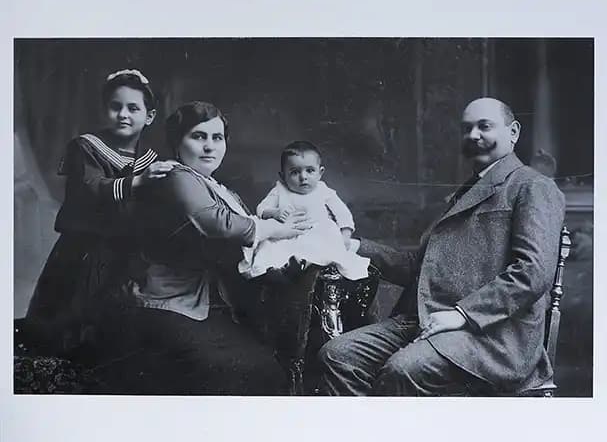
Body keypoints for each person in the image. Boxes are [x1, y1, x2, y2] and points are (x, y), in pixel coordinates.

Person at [318, 97, 566, 396]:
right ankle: (368, 441)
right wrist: (353, 245)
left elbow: (532, 272)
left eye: (484, 126)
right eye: (467, 128)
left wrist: (462, 314)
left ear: (513, 132)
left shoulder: (532, 185)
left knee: (404, 369)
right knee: (338, 355)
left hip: (492, 334)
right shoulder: (464, 192)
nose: (473, 135)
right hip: (431, 320)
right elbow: (420, 268)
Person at [114, 101, 312, 395]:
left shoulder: (215, 187)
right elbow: (217, 223)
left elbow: (241, 236)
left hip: (206, 302)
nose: (209, 147)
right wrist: (275, 229)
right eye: (198, 137)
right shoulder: (176, 176)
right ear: (177, 142)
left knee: (269, 366)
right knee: (252, 370)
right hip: (167, 302)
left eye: (216, 138)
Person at [23, 69, 175, 356]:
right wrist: (139, 182)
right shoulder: (86, 147)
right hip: (84, 249)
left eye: (133, 108)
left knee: (118, 326)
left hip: (129, 252)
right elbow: (90, 188)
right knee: (69, 318)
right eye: (115, 107)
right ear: (104, 110)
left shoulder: (152, 159)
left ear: (149, 116)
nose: (123, 115)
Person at [239, 140, 370, 281]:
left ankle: (308, 265)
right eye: (295, 172)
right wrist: (274, 212)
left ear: (320, 173)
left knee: (327, 243)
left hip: (317, 232)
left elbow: (343, 214)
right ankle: (281, 270)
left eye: (310, 170)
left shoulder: (323, 190)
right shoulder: (279, 190)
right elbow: (261, 209)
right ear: (283, 176)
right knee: (269, 249)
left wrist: (345, 235)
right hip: (286, 236)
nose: (303, 177)